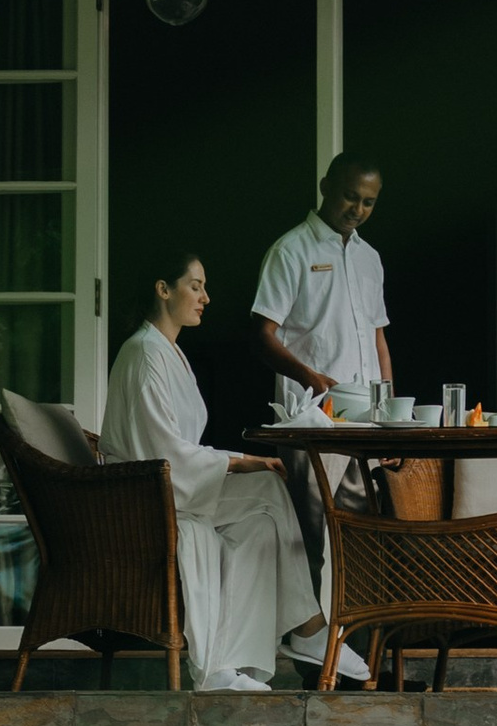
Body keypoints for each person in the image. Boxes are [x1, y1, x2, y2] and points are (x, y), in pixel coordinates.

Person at [101, 250, 369, 690]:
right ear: (163, 290)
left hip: (172, 482)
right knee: (265, 484)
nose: (206, 297)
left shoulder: (168, 353)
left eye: (204, 287)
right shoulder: (144, 353)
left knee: (263, 519)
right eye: (196, 285)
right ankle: (304, 631)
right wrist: (240, 461)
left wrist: (242, 465)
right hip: (142, 496)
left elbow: (180, 448)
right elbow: (161, 450)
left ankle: (236, 662)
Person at [253, 157, 391, 419]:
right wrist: (308, 377)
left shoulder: (370, 258)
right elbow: (261, 336)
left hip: (370, 419)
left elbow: (378, 340)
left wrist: (390, 411)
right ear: (325, 187)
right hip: (312, 416)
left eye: (368, 202)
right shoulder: (290, 251)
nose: (358, 209)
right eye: (350, 196)